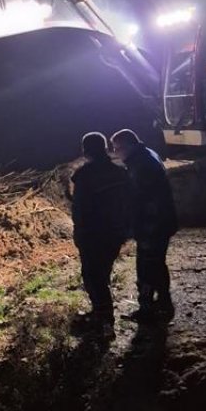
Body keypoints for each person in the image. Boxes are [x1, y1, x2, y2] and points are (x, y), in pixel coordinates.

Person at [110, 129, 178, 322]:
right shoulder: (147, 155)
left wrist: (134, 226)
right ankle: (164, 302)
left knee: (146, 267)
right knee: (157, 263)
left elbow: (140, 200)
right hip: (161, 222)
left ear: (129, 145)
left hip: (151, 225)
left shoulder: (141, 166)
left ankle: (147, 309)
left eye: (118, 148)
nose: (117, 153)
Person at [70, 132, 130, 334]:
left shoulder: (84, 175)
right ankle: (102, 314)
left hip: (93, 234)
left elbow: (79, 209)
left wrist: (79, 232)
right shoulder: (120, 172)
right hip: (115, 233)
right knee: (102, 273)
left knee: (93, 275)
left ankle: (104, 319)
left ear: (85, 151)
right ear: (105, 149)